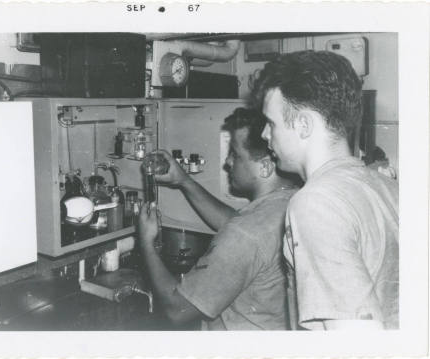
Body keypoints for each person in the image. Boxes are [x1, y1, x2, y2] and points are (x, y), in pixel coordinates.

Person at [253, 50, 399, 330]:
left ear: (304, 125)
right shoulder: (387, 188)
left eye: (271, 123)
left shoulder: (315, 204)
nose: (264, 135)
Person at [137, 108, 298, 330]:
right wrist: (184, 181)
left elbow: (177, 309)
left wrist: (146, 243)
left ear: (265, 167)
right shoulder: (291, 203)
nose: (228, 162)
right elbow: (236, 226)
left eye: (235, 153)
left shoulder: (246, 234)